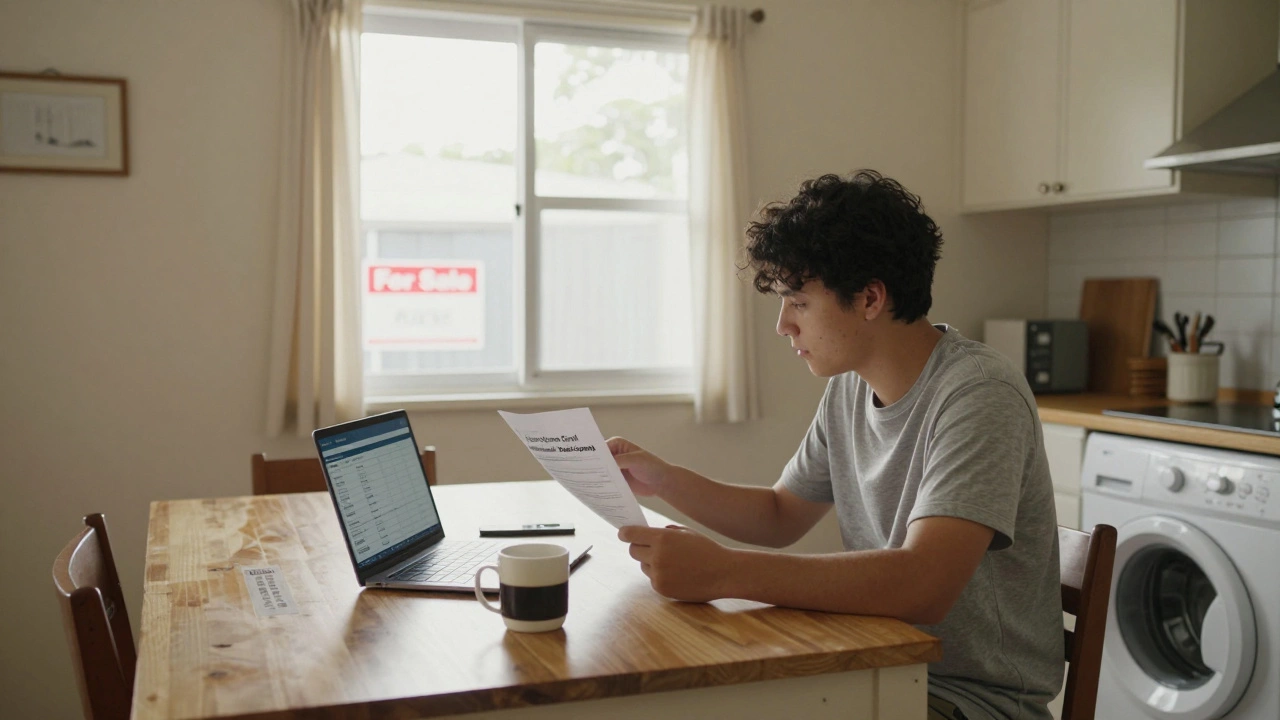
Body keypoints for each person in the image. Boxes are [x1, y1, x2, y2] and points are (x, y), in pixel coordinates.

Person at [609, 171, 1063, 720]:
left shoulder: (978, 394)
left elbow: (924, 585)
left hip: (966, 701)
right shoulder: (850, 386)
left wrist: (724, 572)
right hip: (875, 665)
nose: (783, 326)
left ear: (870, 297)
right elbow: (779, 514)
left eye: (797, 302)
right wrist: (663, 478)